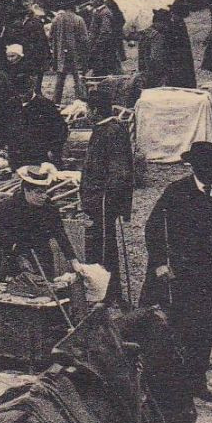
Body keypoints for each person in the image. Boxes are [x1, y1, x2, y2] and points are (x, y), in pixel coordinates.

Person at [140, 140, 212, 401]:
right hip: (179, 276)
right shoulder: (176, 193)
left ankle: (197, 383)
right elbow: (153, 229)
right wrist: (160, 264)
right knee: (177, 329)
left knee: (204, 331)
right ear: (197, 168)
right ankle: (172, 386)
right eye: (210, 168)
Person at [79, 86, 135, 300]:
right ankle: (106, 292)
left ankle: (108, 294)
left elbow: (119, 173)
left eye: (88, 108)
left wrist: (105, 200)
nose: (86, 113)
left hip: (103, 203)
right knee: (101, 246)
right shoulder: (104, 129)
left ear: (95, 110)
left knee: (103, 249)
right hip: (98, 201)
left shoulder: (111, 132)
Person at [0, 163, 77, 281]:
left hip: (42, 255)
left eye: (45, 192)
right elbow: (2, 238)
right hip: (13, 256)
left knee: (44, 290)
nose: (43, 196)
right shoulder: (8, 208)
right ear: (26, 191)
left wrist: (73, 260)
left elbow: (60, 235)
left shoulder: (49, 209)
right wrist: (19, 258)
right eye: (38, 192)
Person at [47, 5, 89, 102]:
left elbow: (50, 36)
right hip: (76, 53)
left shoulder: (56, 19)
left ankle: (56, 101)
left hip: (61, 54)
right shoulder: (79, 19)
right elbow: (84, 39)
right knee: (78, 78)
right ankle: (81, 100)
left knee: (60, 79)